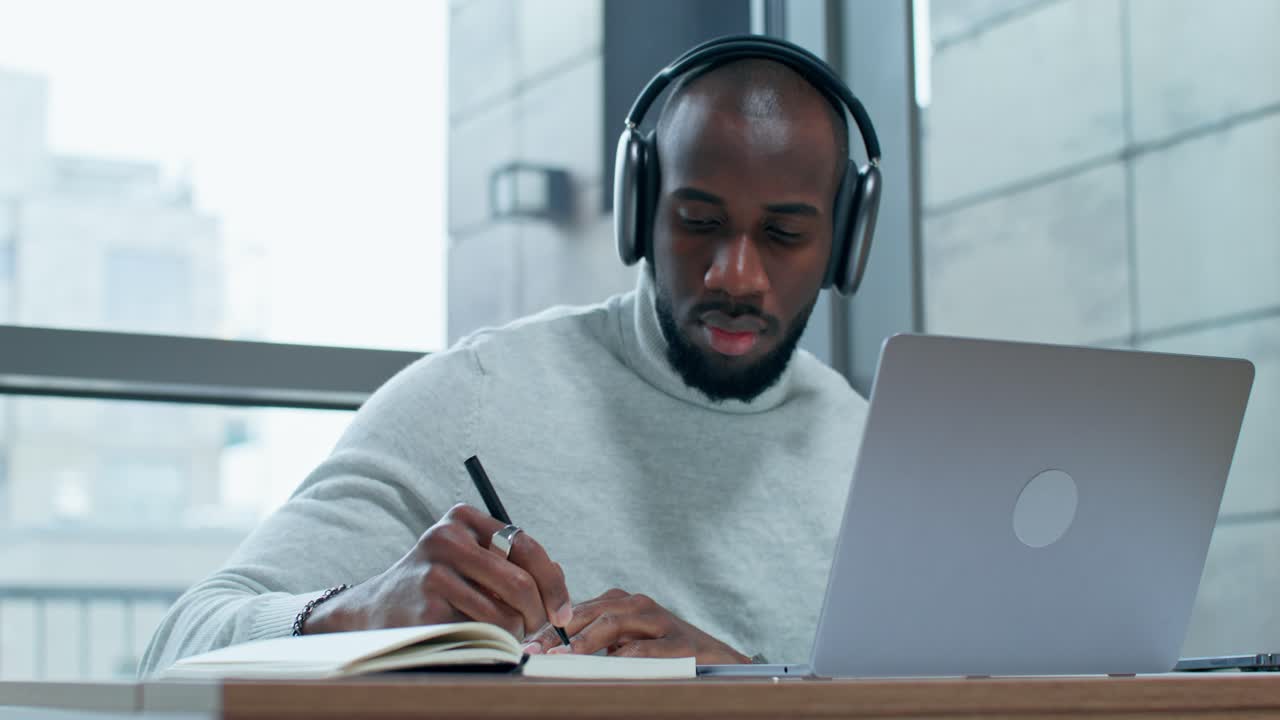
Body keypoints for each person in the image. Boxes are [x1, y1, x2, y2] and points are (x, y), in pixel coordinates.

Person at [139, 35, 876, 675]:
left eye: (783, 235)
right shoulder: (474, 401)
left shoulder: (874, 450)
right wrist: (350, 614)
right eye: (698, 221)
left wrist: (746, 684)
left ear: (845, 242)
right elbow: (177, 648)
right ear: (639, 208)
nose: (735, 275)